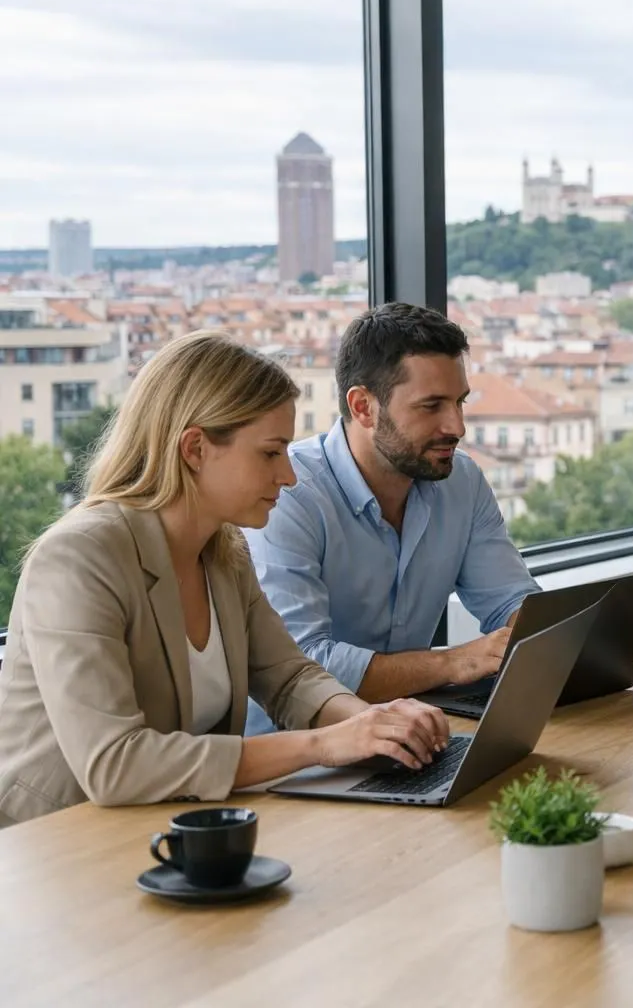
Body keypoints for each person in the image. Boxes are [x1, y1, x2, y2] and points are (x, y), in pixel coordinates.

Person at [0, 332, 449, 828]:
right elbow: (114, 765)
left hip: (170, 829)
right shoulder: (78, 559)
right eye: (270, 453)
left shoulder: (223, 552)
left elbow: (290, 678)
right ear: (195, 448)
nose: (289, 477)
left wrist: (371, 725)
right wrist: (322, 745)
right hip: (57, 846)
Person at [243, 302, 539, 735]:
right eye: (431, 406)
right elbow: (304, 665)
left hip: (407, 736)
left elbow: (512, 603)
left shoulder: (463, 481)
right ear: (364, 407)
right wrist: (453, 662)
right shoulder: (288, 493)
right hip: (295, 753)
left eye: (459, 402)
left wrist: (543, 640)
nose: (456, 426)